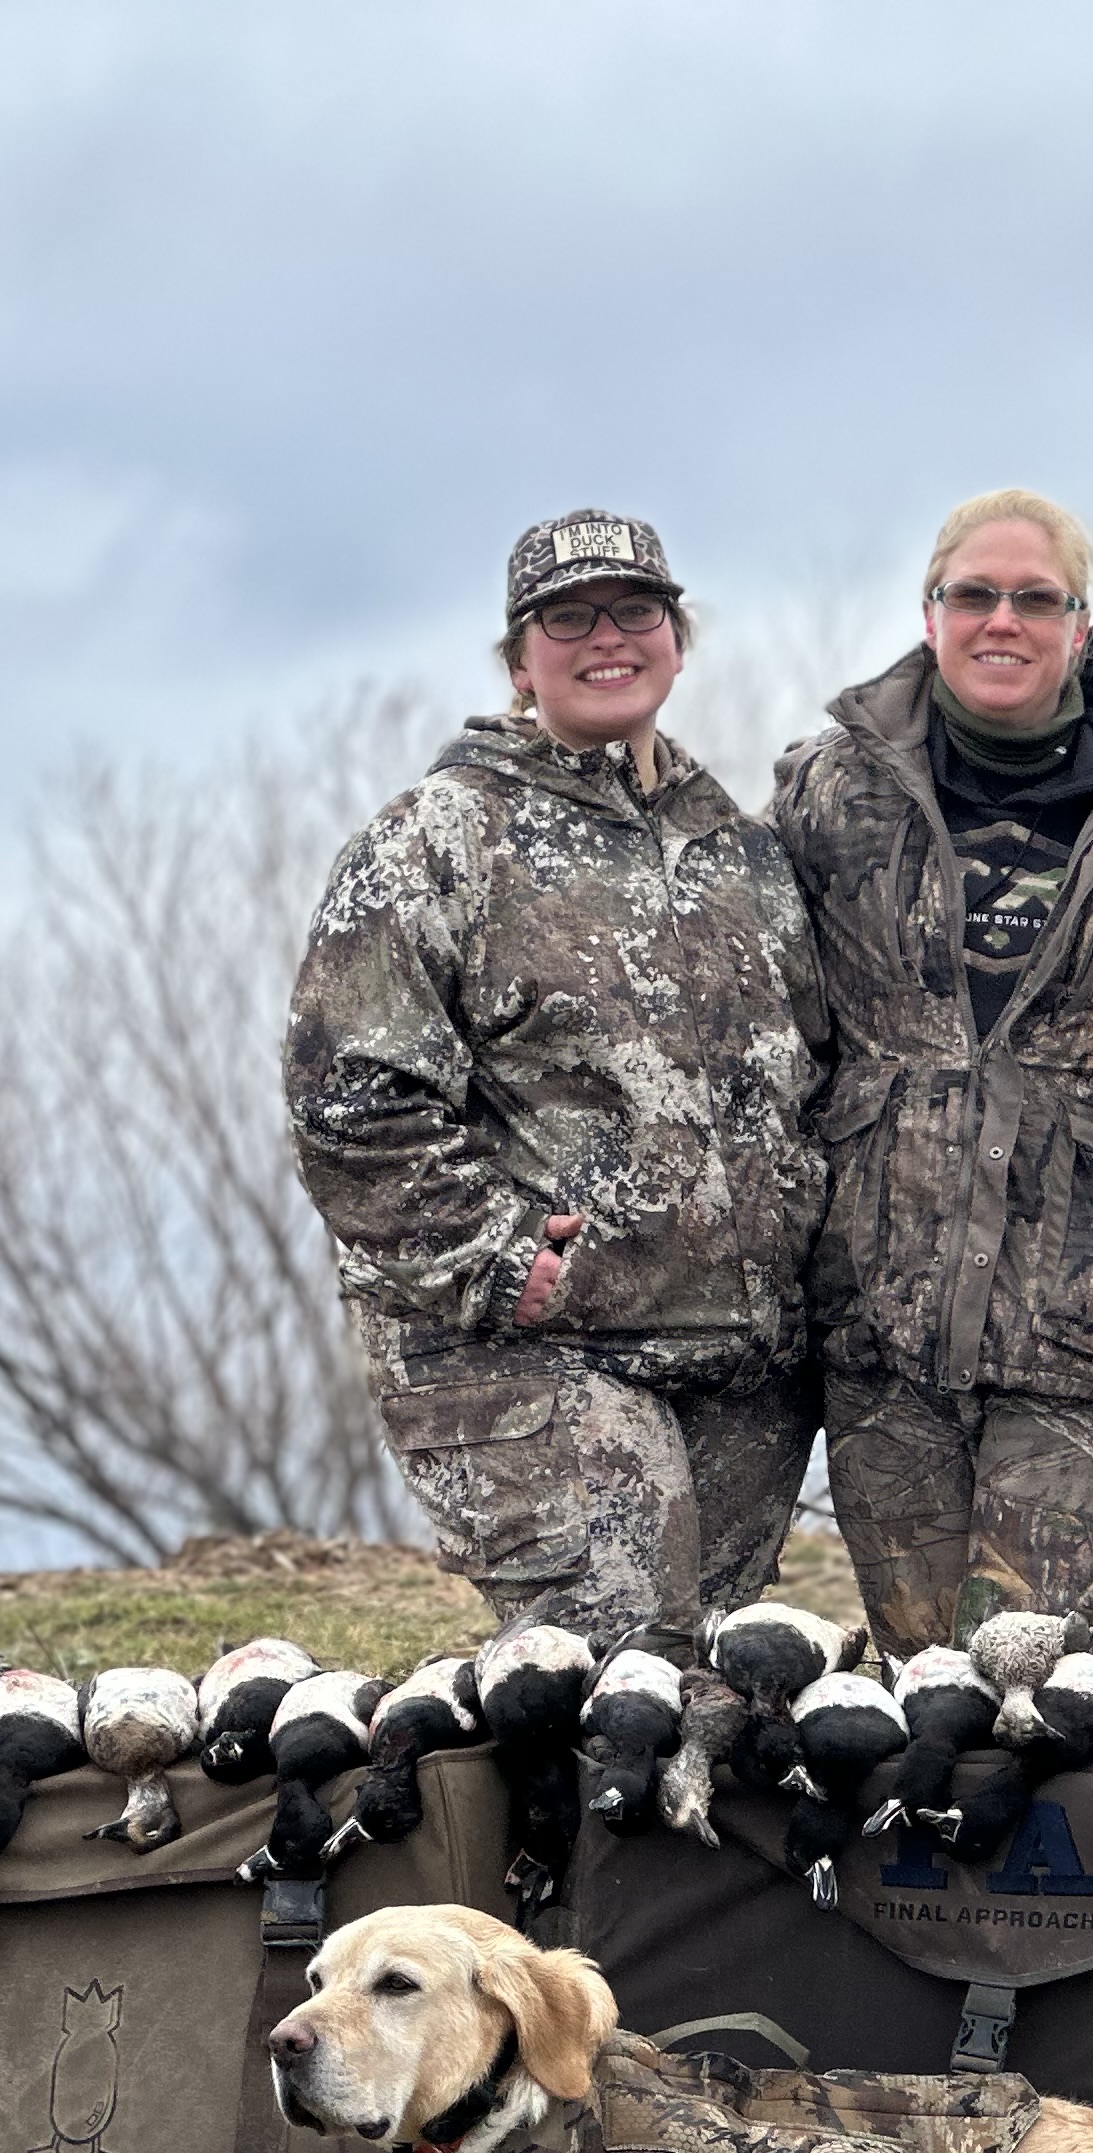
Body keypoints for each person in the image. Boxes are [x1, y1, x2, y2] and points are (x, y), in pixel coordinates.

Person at [284, 509, 828, 1652]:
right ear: (519, 661)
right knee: (620, 1680)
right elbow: (350, 1097)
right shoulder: (443, 839)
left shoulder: (739, 850)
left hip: (735, 1375)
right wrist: (500, 1261)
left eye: (636, 610)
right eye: (567, 617)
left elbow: (807, 1078)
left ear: (677, 638)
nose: (606, 638)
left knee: (714, 1699)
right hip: (533, 1360)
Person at [767, 489, 1093, 1652]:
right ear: (931, 615)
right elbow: (779, 1023)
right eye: (974, 594)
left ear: (1082, 625)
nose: (1002, 621)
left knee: (1040, 1691)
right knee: (921, 1687)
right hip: (883, 1313)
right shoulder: (829, 790)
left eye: (1036, 598)